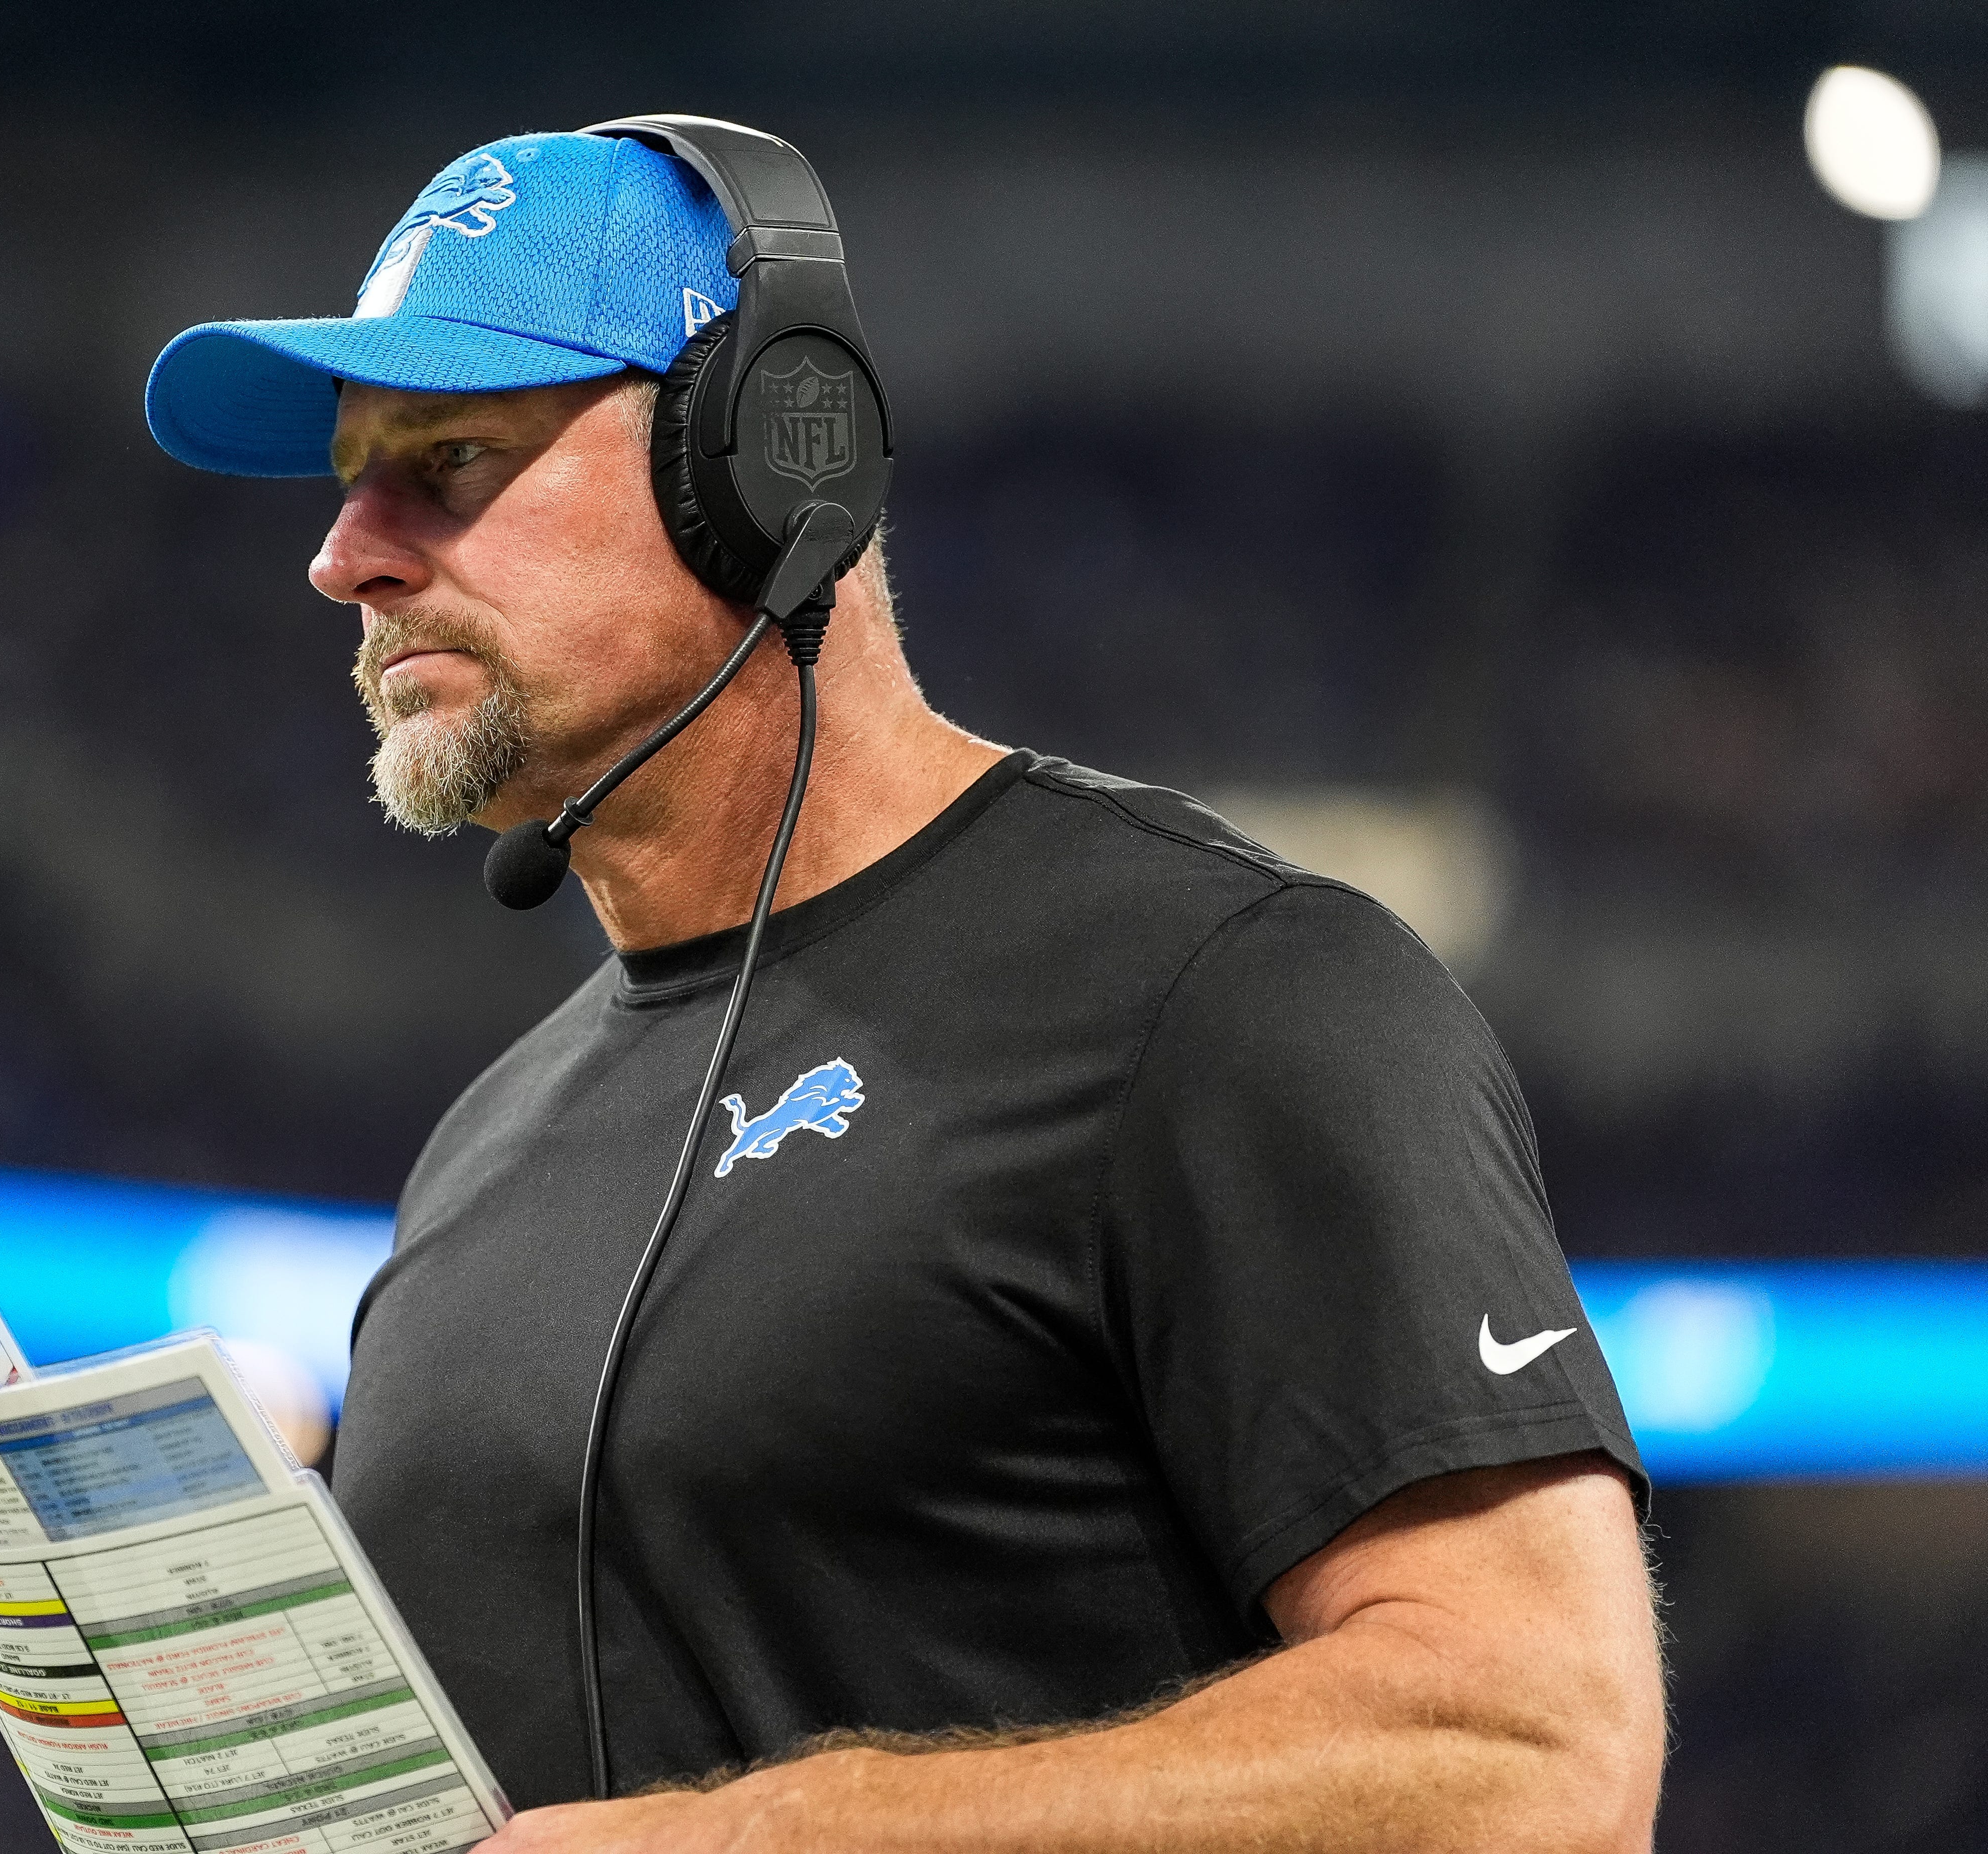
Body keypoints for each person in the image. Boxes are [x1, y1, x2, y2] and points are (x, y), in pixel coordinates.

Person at [146, 126, 1663, 1853]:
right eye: (350, 480)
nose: (349, 555)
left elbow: (1530, 1757)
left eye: (452, 457)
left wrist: (762, 1839)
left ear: (770, 459)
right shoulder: (480, 1156)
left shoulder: (1223, 994)